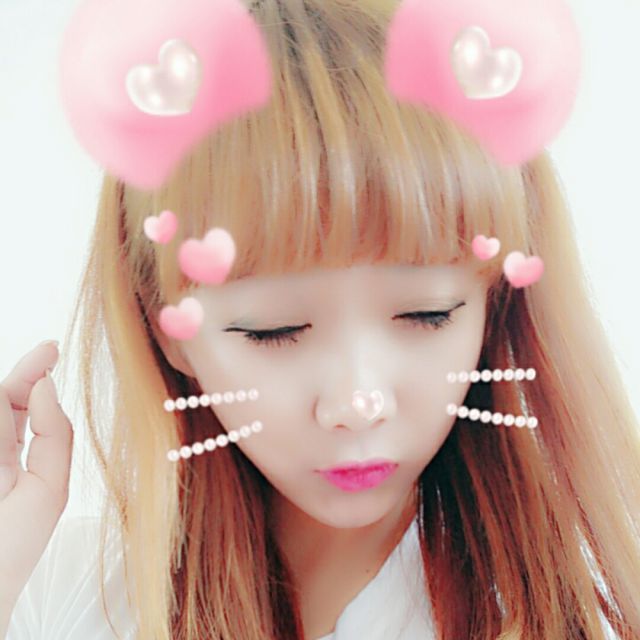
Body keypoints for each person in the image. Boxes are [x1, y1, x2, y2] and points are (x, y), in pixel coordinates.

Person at [1, 0, 640, 638]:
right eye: (273, 330)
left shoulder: (590, 616)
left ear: (494, 306)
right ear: (169, 333)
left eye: (427, 314)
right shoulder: (60, 590)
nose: (357, 404)